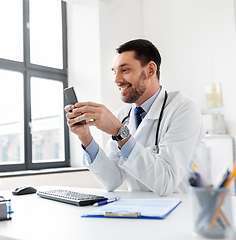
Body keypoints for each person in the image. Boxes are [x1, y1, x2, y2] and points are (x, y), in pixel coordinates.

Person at [65, 39, 205, 196]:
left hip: (179, 211)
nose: (116, 79)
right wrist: (85, 137)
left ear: (150, 69)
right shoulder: (123, 115)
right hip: (139, 212)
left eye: (124, 70)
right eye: (114, 71)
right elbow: (112, 180)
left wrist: (119, 132)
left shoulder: (183, 109)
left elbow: (166, 182)